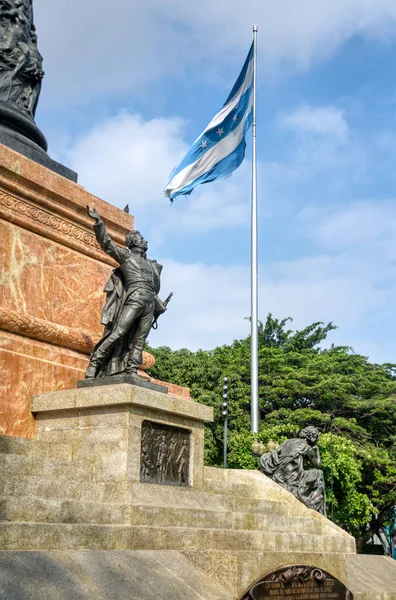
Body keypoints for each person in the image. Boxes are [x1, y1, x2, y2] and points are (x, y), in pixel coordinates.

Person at [85, 206, 166, 379]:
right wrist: (99, 223)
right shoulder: (126, 256)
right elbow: (107, 244)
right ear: (135, 242)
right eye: (143, 239)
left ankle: (131, 369)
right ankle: (95, 363)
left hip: (149, 303)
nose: (146, 242)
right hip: (135, 297)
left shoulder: (152, 264)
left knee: (140, 339)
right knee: (119, 332)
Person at [260, 426, 327, 515]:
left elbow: (275, 452)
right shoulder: (308, 448)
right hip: (293, 476)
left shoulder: (288, 441)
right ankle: (314, 504)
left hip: (279, 472)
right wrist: (317, 450)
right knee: (319, 474)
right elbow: (317, 465)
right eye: (317, 437)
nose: (317, 440)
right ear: (312, 437)